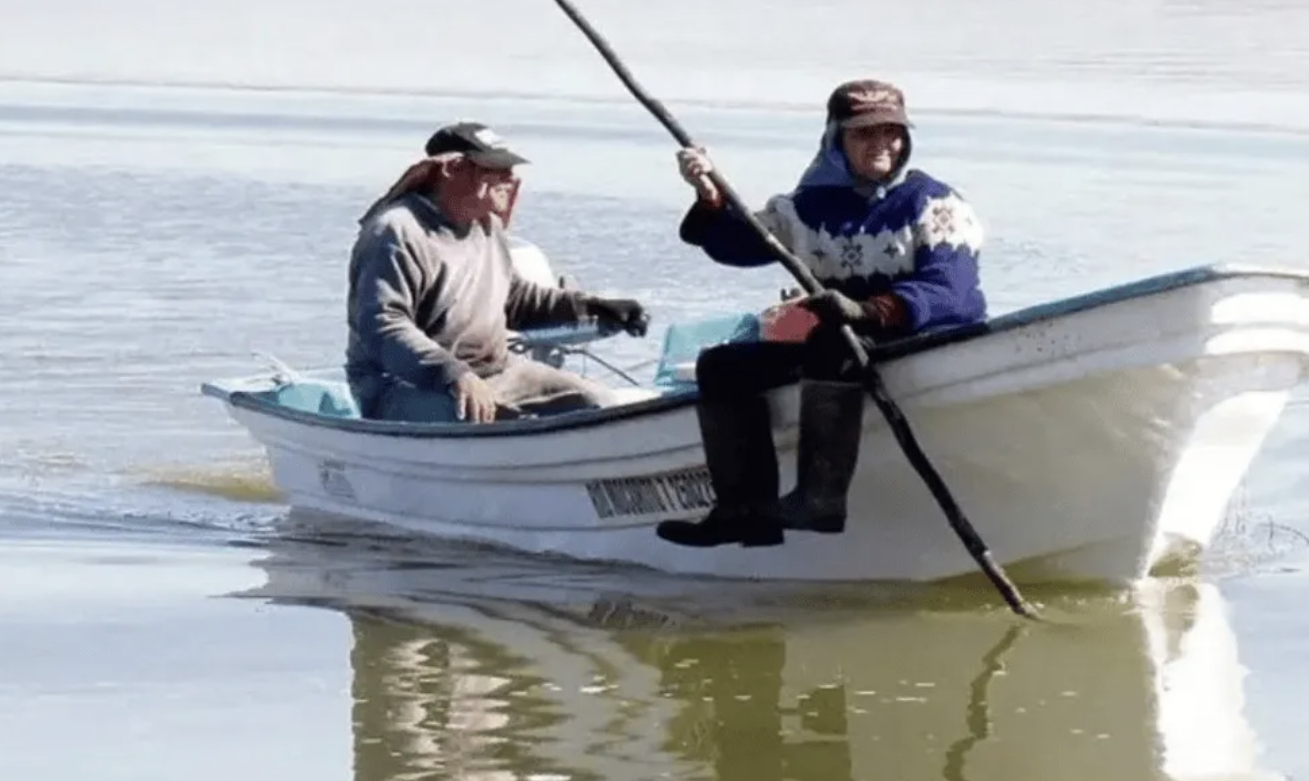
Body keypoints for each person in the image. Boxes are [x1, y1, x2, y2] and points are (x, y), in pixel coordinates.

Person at [655, 79, 989, 548]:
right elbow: (738, 243)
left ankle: (820, 499)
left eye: (891, 132)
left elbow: (952, 291)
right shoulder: (807, 208)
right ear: (836, 139)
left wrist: (870, 310)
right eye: (863, 134)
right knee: (722, 366)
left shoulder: (935, 203)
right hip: (839, 350)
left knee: (831, 341)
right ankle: (744, 512)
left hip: (918, 339)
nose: (881, 144)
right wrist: (710, 196)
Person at [344, 120, 651, 423]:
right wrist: (454, 374)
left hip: (496, 373)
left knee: (599, 405)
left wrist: (596, 308)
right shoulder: (396, 232)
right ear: (452, 169)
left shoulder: (486, 225)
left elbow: (515, 300)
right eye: (496, 168)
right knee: (500, 422)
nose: (509, 177)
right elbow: (383, 326)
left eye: (510, 169)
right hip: (403, 385)